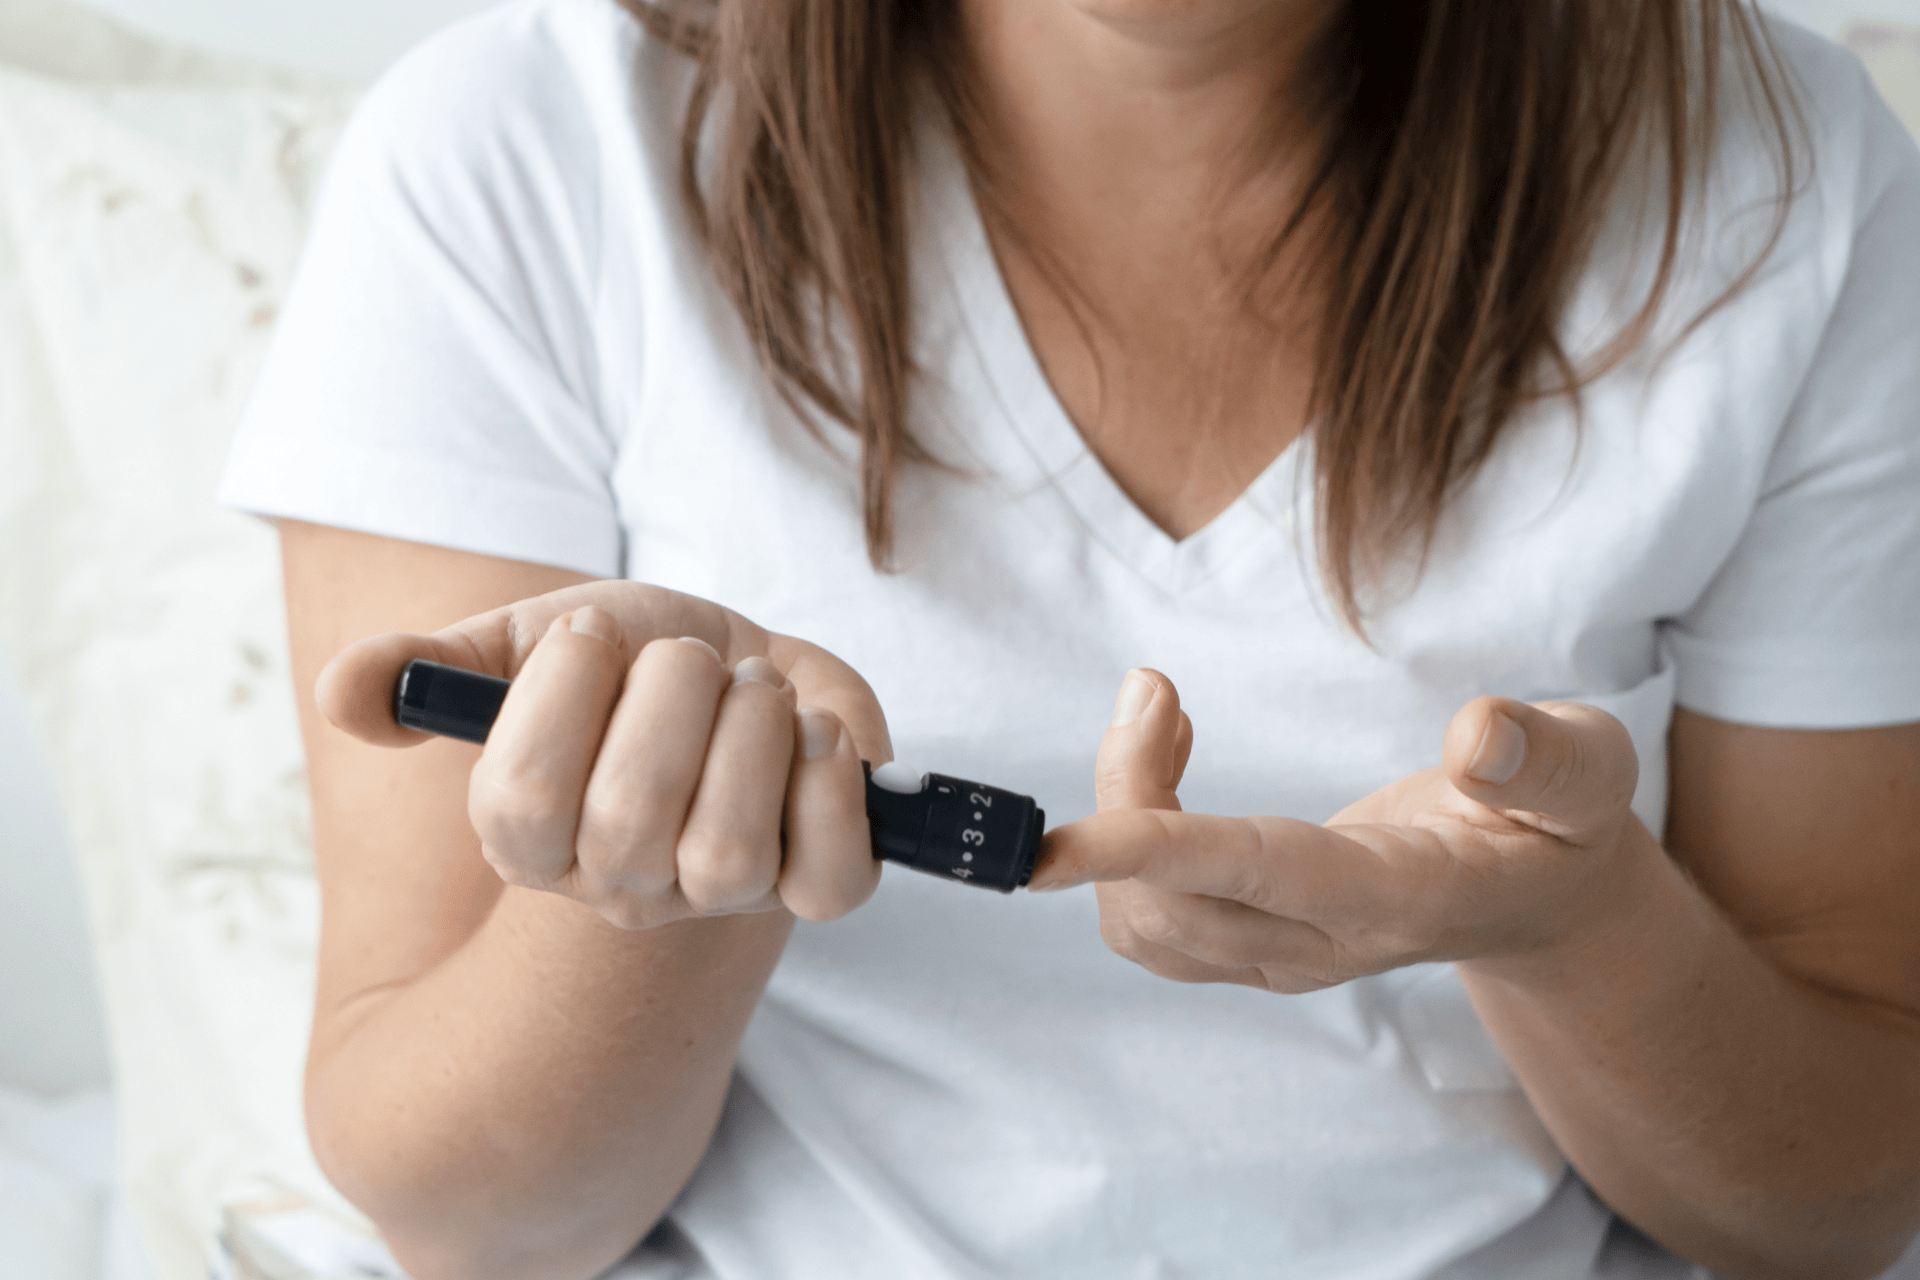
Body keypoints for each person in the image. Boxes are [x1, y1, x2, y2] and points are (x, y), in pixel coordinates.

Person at [218, 0, 1920, 1277]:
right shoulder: (521, 149)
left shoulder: (1784, 179)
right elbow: (461, 1219)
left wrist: (1580, 928)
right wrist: (657, 893)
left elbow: (1840, 1198)